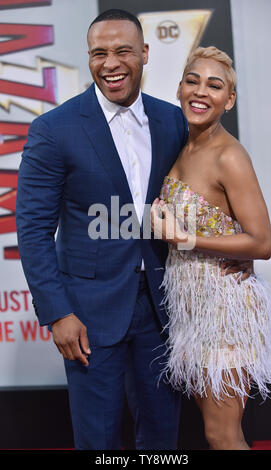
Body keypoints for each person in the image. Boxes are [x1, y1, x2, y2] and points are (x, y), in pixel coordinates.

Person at [15, 9, 189, 450]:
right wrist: (57, 313)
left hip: (162, 310)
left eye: (123, 51)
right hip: (87, 315)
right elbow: (33, 229)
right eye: (99, 53)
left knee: (163, 437)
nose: (110, 63)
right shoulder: (54, 130)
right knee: (98, 441)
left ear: (145, 54)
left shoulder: (174, 121)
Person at [151, 46, 271, 450]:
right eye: (193, 80)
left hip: (227, 311)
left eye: (215, 85)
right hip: (193, 310)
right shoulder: (183, 144)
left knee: (220, 433)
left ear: (230, 100)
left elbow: (262, 243)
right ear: (178, 88)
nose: (201, 91)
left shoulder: (230, 156)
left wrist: (184, 238)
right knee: (220, 432)